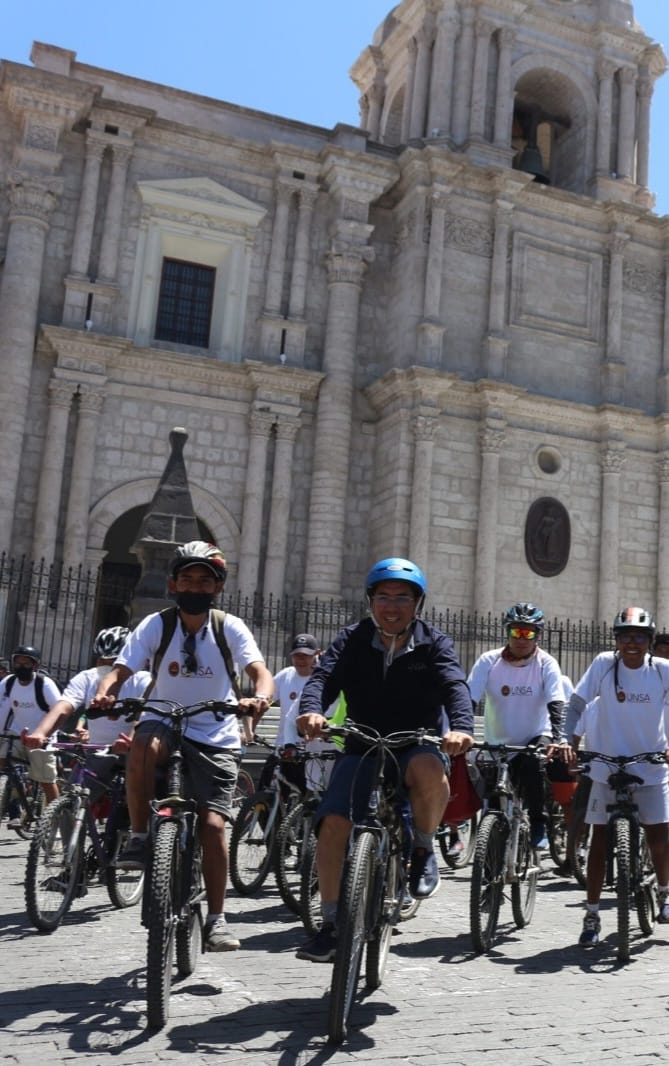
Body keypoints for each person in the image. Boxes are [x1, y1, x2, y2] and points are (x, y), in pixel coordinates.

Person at [90, 540, 274, 952]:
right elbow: (119, 671)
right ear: (173, 583)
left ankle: (216, 919)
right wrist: (106, 694)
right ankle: (139, 836)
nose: (194, 586)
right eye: (187, 579)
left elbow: (260, 672)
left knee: (212, 826)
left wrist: (259, 696)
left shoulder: (229, 627)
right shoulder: (157, 624)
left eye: (203, 580)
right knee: (141, 745)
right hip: (165, 718)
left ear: (217, 587)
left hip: (216, 731)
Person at [294, 557, 474, 963]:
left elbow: (453, 684)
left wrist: (461, 726)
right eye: (383, 597)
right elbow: (323, 678)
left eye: (402, 598)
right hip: (362, 742)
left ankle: (424, 849)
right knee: (334, 820)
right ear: (371, 600)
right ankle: (331, 922)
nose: (392, 607)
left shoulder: (434, 642)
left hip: (416, 741)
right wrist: (312, 710)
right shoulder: (352, 638)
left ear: (417, 603)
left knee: (429, 770)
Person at [562, 606, 669, 947]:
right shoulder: (603, 665)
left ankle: (665, 892)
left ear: (650, 641)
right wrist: (566, 741)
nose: (632, 643)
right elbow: (577, 704)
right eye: (625, 636)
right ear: (617, 641)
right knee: (599, 842)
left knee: (659, 838)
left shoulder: (664, 670)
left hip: (650, 765)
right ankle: (591, 913)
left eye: (639, 636)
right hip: (605, 765)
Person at [467, 602, 566, 850]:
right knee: (491, 799)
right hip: (497, 741)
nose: (521, 638)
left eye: (528, 633)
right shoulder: (488, 661)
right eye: (516, 631)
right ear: (507, 632)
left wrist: (559, 737)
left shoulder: (546, 663)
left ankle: (538, 823)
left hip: (535, 735)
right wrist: (460, 729)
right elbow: (467, 700)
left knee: (534, 765)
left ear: (538, 635)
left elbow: (556, 703)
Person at [23, 627, 152, 793]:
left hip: (133, 753)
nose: (105, 668)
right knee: (71, 800)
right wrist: (41, 733)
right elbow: (64, 706)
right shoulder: (86, 678)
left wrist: (131, 739)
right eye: (101, 662)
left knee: (135, 804)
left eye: (112, 663)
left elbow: (146, 715)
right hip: (98, 752)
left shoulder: (143, 680)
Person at [0, 645, 61, 820]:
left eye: (26, 663)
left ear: (35, 666)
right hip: (17, 734)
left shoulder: (44, 684)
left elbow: (58, 710)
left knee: (47, 781)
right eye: (17, 663)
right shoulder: (9, 682)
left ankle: (54, 821)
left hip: (43, 738)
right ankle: (12, 796)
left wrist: (46, 735)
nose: (21, 667)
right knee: (2, 761)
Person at [256, 633, 322, 795]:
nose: (301, 660)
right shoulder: (285, 675)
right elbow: (264, 703)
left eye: (306, 656)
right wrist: (250, 730)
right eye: (297, 655)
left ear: (317, 654)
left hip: (310, 751)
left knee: (304, 797)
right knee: (263, 793)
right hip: (283, 747)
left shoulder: (321, 679)